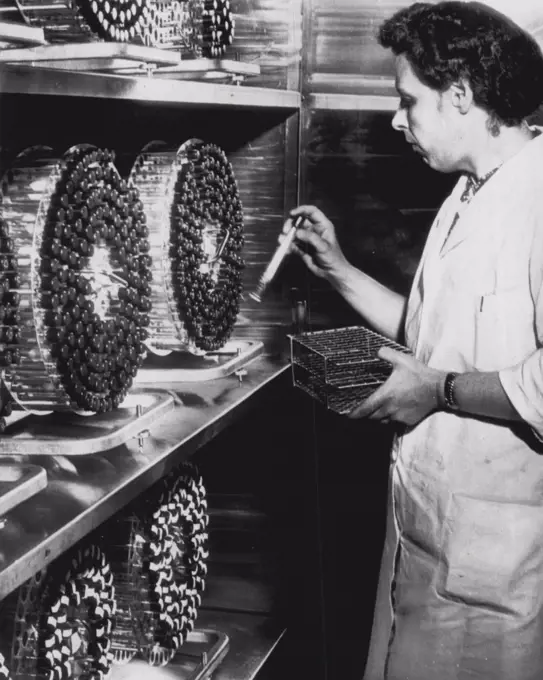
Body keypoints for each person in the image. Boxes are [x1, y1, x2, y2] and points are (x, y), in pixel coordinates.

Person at [283, 2, 543, 679]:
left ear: (459, 96)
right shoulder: (465, 195)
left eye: (407, 100)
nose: (396, 120)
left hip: (497, 570)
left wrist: (438, 391)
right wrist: (337, 269)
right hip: (424, 536)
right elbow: (433, 334)